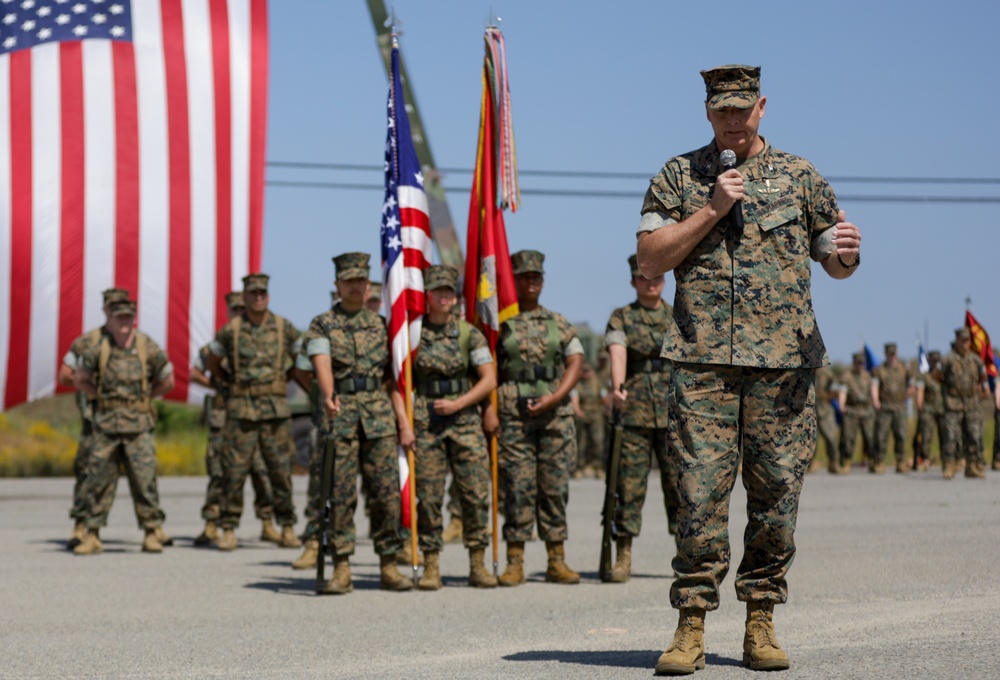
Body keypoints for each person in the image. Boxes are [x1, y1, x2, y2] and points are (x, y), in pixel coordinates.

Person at [635, 65, 862, 674]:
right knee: (698, 495)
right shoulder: (679, 175)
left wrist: (846, 257)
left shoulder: (801, 176)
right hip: (703, 362)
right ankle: (690, 625)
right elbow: (650, 258)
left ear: (761, 107)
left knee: (776, 495)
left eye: (742, 109)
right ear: (707, 112)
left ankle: (761, 618)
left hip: (782, 365)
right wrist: (711, 209)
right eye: (721, 111)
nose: (733, 120)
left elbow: (833, 261)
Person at [303, 252, 412, 593]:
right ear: (337, 285)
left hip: (379, 418)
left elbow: (392, 381)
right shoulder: (322, 323)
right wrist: (328, 393)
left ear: (368, 286)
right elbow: (321, 360)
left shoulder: (382, 327)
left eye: (360, 282)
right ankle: (342, 567)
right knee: (340, 494)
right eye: (348, 281)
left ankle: (389, 565)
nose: (354, 287)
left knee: (385, 495)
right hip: (341, 415)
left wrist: (404, 423)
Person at [495, 249, 584, 586]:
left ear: (543, 281)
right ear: (514, 280)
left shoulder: (557, 322)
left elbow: (575, 360)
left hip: (554, 417)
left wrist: (556, 397)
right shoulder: (500, 323)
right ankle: (514, 560)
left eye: (536, 277)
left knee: (554, 487)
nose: (531, 282)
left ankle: (555, 559)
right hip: (514, 416)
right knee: (517, 487)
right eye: (524, 277)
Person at [411, 265, 498, 589]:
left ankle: (477, 563)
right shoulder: (414, 333)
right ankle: (431, 564)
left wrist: (461, 404)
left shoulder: (467, 333)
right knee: (429, 496)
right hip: (426, 421)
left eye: (449, 291)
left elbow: (488, 378)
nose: (445, 296)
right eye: (438, 291)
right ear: (428, 296)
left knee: (474, 493)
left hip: (463, 420)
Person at [206, 274, 302, 551]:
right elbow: (213, 362)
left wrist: (283, 380)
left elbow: (301, 360)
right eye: (253, 293)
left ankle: (286, 527)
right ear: (245, 297)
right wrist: (230, 382)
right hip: (242, 411)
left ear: (268, 296)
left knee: (280, 472)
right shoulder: (232, 330)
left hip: (275, 411)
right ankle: (228, 528)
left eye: (263, 293)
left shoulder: (284, 327)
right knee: (233, 473)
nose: (258, 297)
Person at [72, 299, 174, 555]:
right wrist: (96, 396)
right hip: (106, 426)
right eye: (119, 317)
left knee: (144, 481)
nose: (124, 322)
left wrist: (147, 397)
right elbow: (79, 377)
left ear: (134, 318)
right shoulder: (99, 348)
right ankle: (92, 534)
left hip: (138, 427)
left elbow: (168, 379)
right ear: (111, 319)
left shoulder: (146, 347)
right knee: (98, 481)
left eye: (128, 317)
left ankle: (152, 532)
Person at [603, 253, 679, 583]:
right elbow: (617, 351)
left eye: (657, 278)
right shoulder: (621, 317)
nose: (651, 284)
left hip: (673, 410)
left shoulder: (678, 315)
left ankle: (686, 554)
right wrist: (617, 387)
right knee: (628, 488)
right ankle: (623, 554)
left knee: (679, 486)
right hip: (633, 413)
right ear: (634, 281)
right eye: (644, 278)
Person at [191, 291, 277, 546]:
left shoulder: (257, 345)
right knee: (219, 472)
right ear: (228, 312)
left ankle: (267, 522)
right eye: (235, 310)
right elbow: (195, 373)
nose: (239, 313)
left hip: (253, 415)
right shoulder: (217, 345)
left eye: (243, 309)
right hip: (223, 417)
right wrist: (218, 383)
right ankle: (211, 523)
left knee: (261, 470)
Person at [58, 287, 130, 548]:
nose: (117, 311)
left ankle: (152, 526)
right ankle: (80, 525)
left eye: (122, 306)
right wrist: (94, 390)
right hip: (95, 420)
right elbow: (65, 374)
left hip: (129, 420)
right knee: (87, 471)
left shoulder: (135, 342)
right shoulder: (87, 342)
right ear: (105, 310)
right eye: (112, 306)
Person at [940, 327, 988, 479]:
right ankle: (949, 465)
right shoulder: (948, 359)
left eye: (967, 340)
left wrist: (981, 390)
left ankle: (971, 466)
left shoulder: (976, 360)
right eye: (962, 340)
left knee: (973, 435)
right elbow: (938, 377)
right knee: (951, 436)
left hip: (971, 402)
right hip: (953, 402)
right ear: (957, 341)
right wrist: (948, 391)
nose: (965, 343)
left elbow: (983, 377)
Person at [871, 343, 914, 473]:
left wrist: (905, 396)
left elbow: (912, 385)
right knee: (881, 435)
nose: (892, 356)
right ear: (886, 354)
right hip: (885, 407)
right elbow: (874, 386)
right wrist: (876, 400)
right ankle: (880, 462)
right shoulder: (879, 370)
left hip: (900, 407)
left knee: (901, 435)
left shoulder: (904, 369)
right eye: (890, 354)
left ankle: (900, 462)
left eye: (894, 354)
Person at [839, 353, 876, 472]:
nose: (860, 365)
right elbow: (843, 391)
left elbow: (874, 390)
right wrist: (841, 404)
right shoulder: (847, 377)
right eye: (857, 363)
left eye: (862, 363)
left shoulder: (869, 377)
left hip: (866, 411)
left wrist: (876, 401)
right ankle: (846, 461)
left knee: (869, 437)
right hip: (852, 411)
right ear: (854, 363)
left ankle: (872, 461)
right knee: (848, 438)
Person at [572, 360, 606, 478]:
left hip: (596, 416)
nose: (586, 373)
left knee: (597, 442)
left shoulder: (597, 382)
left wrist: (598, 408)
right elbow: (574, 398)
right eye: (584, 371)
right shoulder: (578, 383)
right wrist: (577, 411)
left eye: (588, 371)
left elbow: (604, 398)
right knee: (581, 443)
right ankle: (580, 468)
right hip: (583, 415)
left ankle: (598, 467)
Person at [914, 350, 944, 470]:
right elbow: (920, 391)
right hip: (929, 410)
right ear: (929, 361)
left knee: (945, 437)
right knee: (926, 436)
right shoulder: (925, 376)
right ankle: (924, 459)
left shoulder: (943, 376)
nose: (935, 363)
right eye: (933, 361)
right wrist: (920, 405)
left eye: (937, 361)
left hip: (942, 409)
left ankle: (946, 460)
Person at [813, 365, 841, 473]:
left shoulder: (828, 373)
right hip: (811, 409)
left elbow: (836, 388)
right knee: (812, 439)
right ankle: (810, 464)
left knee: (831, 437)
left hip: (825, 408)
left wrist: (830, 396)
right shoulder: (807, 371)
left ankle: (834, 463)